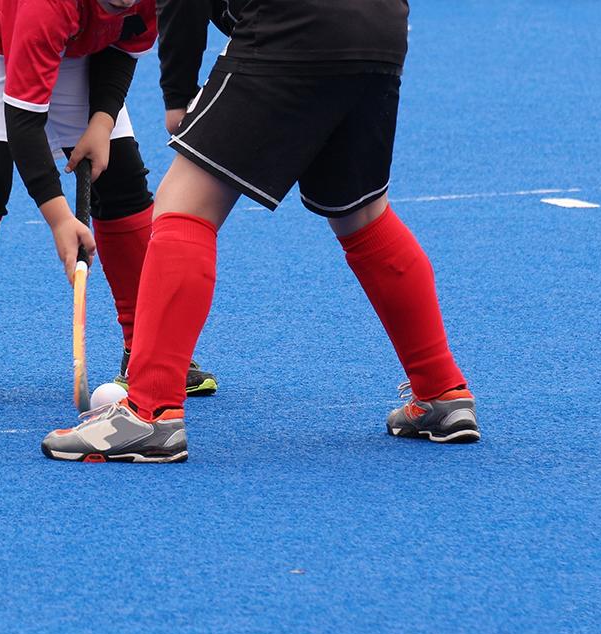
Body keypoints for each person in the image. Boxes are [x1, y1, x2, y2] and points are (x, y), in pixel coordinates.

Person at [41, 0, 480, 462]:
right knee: (364, 216)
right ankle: (441, 390)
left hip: (292, 24)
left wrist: (177, 95)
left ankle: (149, 412)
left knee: (183, 205)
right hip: (381, 27)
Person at [0, 0, 217, 406]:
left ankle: (146, 350)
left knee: (120, 175)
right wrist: (60, 219)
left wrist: (102, 121)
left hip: (75, 34)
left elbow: (124, 41)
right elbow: (23, 121)